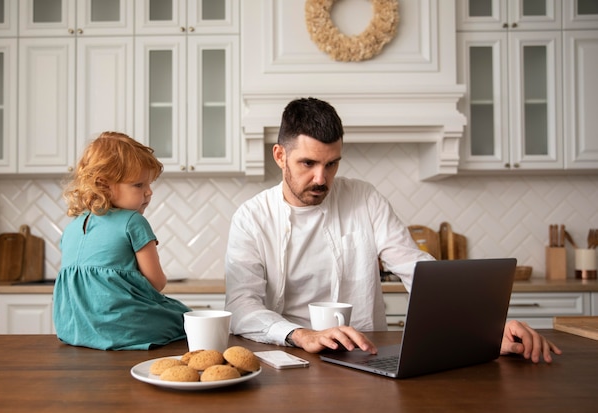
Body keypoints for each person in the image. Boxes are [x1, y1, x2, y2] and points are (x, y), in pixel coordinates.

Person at [225, 97, 562, 363]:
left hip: (364, 354)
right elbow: (242, 307)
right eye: (308, 164)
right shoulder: (252, 217)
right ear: (280, 155)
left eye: (332, 164)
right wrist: (302, 335)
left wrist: (485, 329)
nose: (321, 178)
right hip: (287, 356)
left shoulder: (363, 197)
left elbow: (415, 269)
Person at [53, 132, 191, 350]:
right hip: (124, 328)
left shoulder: (72, 228)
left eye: (149, 183)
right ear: (103, 185)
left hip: (75, 329)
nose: (149, 192)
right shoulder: (133, 222)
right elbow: (157, 283)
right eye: (138, 185)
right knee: (187, 319)